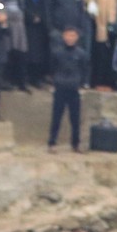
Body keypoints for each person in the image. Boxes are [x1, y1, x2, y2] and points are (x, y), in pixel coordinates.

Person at [48, 23, 89, 151]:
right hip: (60, 87)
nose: (70, 38)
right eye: (68, 35)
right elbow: (52, 68)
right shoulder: (57, 52)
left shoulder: (81, 54)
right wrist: (53, 83)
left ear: (77, 37)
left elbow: (85, 70)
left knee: (75, 118)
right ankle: (52, 143)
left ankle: (75, 144)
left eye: (73, 35)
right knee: (56, 117)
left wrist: (83, 85)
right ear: (63, 36)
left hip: (74, 89)